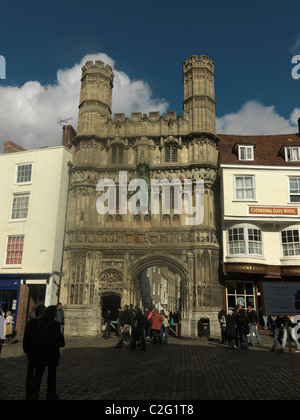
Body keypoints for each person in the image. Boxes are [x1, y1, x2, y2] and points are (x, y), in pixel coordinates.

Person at [23, 305, 65, 400]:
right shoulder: (55, 325)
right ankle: (50, 395)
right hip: (51, 354)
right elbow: (62, 342)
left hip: (38, 353)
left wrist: (27, 351)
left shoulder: (35, 322)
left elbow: (27, 339)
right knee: (50, 376)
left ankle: (32, 395)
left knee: (36, 375)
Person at [23, 304, 46, 399]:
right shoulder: (44, 324)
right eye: (44, 311)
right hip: (38, 353)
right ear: (40, 312)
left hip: (32, 352)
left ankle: (29, 392)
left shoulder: (30, 323)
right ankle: (33, 392)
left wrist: (27, 350)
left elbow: (26, 338)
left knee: (31, 372)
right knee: (37, 373)